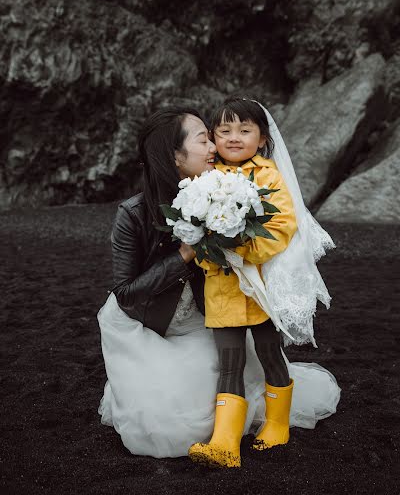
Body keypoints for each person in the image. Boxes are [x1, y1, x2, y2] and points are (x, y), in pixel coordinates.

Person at [98, 105, 340, 460]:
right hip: (152, 328)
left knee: (240, 374)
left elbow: (275, 228)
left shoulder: (231, 186)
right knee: (167, 423)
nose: (217, 145)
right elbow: (125, 294)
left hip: (212, 315)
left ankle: (258, 428)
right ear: (174, 156)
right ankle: (224, 443)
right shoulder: (134, 213)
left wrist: (236, 235)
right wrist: (184, 254)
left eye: (213, 137)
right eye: (206, 139)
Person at [188, 97, 340, 468]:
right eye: (224, 131)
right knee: (230, 361)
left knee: (271, 353)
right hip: (222, 286)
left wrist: (245, 247)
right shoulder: (206, 177)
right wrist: (212, 245)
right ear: (214, 137)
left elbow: (282, 225)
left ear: (262, 137)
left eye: (244, 130)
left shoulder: (268, 174)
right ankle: (224, 443)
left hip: (261, 286)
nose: (234, 138)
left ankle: (276, 423)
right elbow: (192, 226)